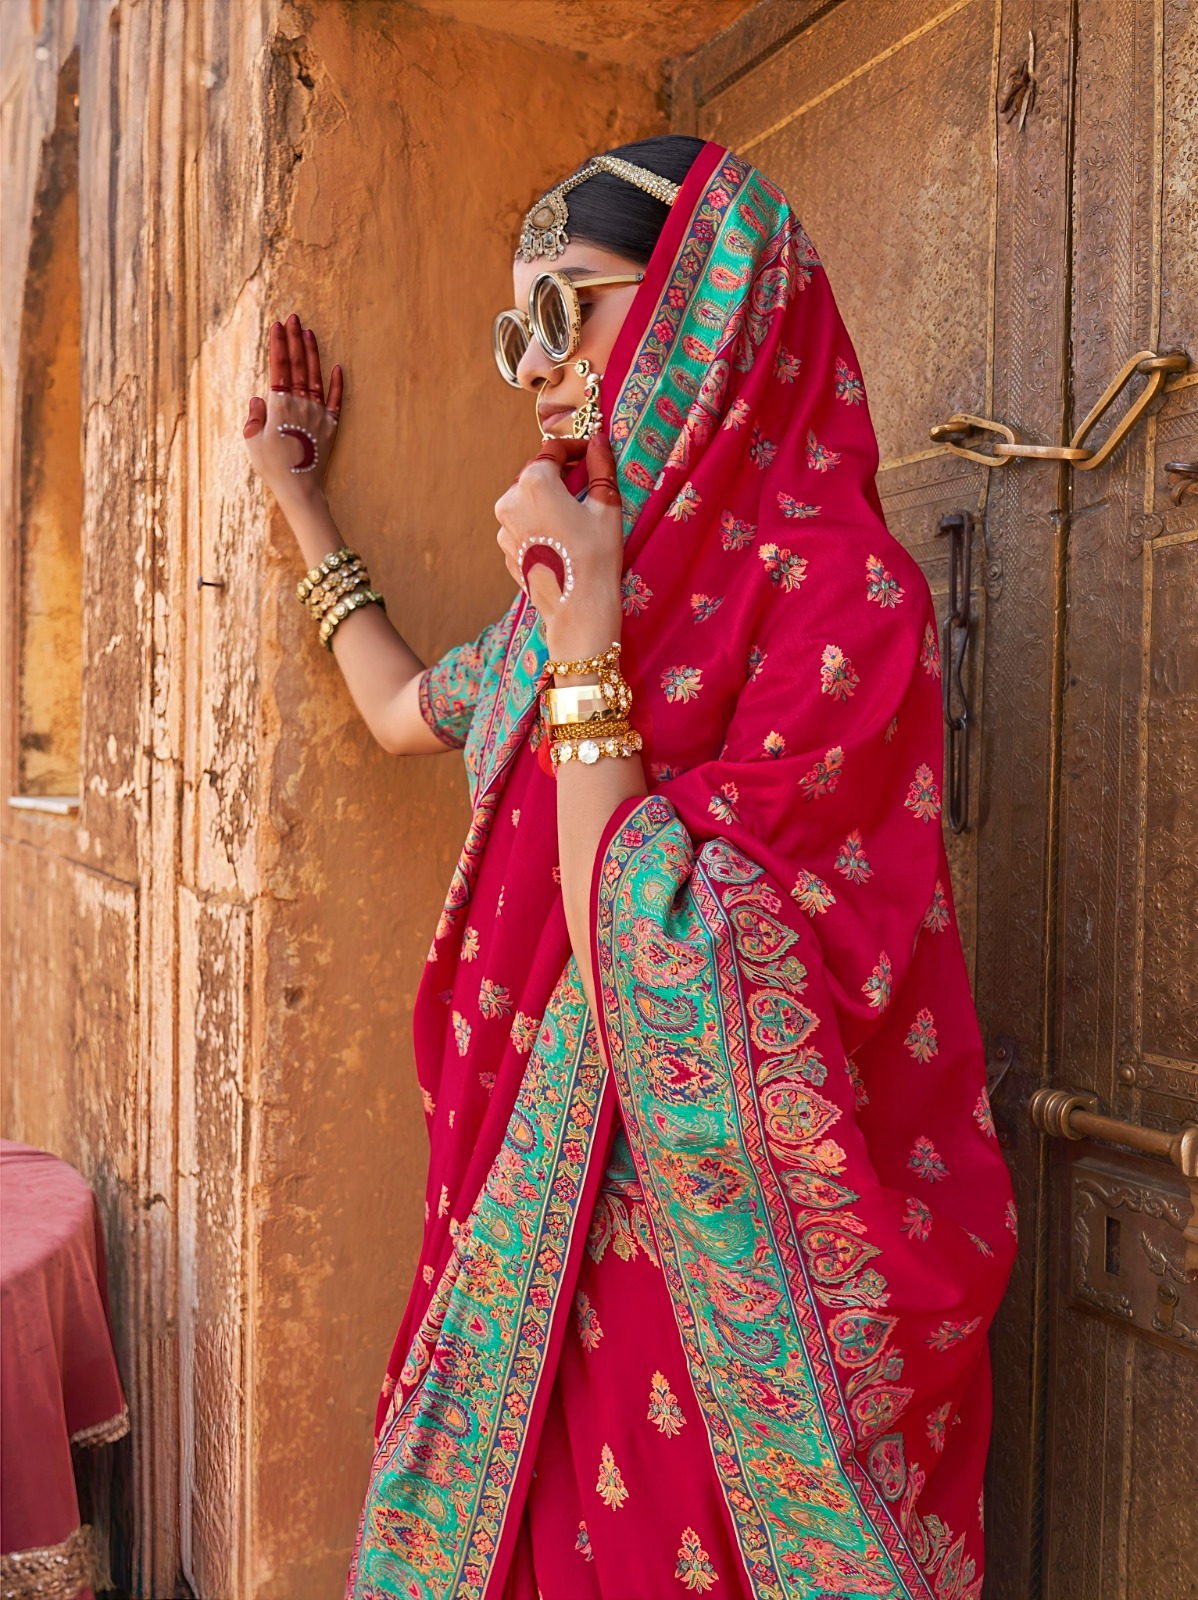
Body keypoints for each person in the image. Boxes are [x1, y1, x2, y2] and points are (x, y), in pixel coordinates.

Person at [243, 135, 1017, 1600]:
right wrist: (300, 499)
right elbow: (405, 709)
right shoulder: (589, 581)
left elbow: (669, 971)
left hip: (717, 1293)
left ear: (702, 305)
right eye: (509, 332)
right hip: (522, 1257)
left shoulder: (842, 598)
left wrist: (589, 643)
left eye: (570, 310)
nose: (535, 368)